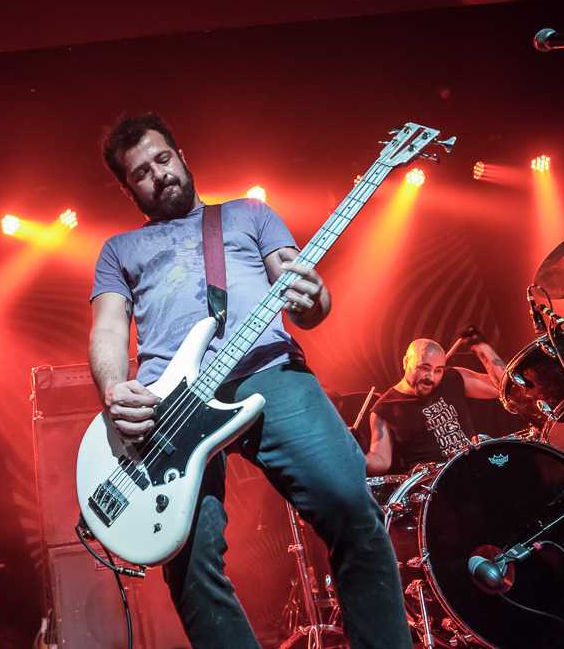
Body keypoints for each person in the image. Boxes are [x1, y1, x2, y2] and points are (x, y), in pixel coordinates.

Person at [88, 113, 410, 648]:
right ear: (129, 189)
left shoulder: (248, 214)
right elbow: (107, 328)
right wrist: (113, 388)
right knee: (186, 558)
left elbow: (303, 291)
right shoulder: (118, 250)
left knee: (352, 506)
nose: (159, 174)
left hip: (268, 368)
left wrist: (314, 298)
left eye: (163, 159)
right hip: (169, 403)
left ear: (182, 156)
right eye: (141, 172)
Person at [365, 331, 505, 475]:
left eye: (438, 370)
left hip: (474, 467)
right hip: (433, 481)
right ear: (406, 362)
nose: (431, 378)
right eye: (424, 368)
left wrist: (483, 348)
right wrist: (358, 452)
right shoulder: (384, 409)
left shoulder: (452, 378)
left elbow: (502, 388)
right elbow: (382, 462)